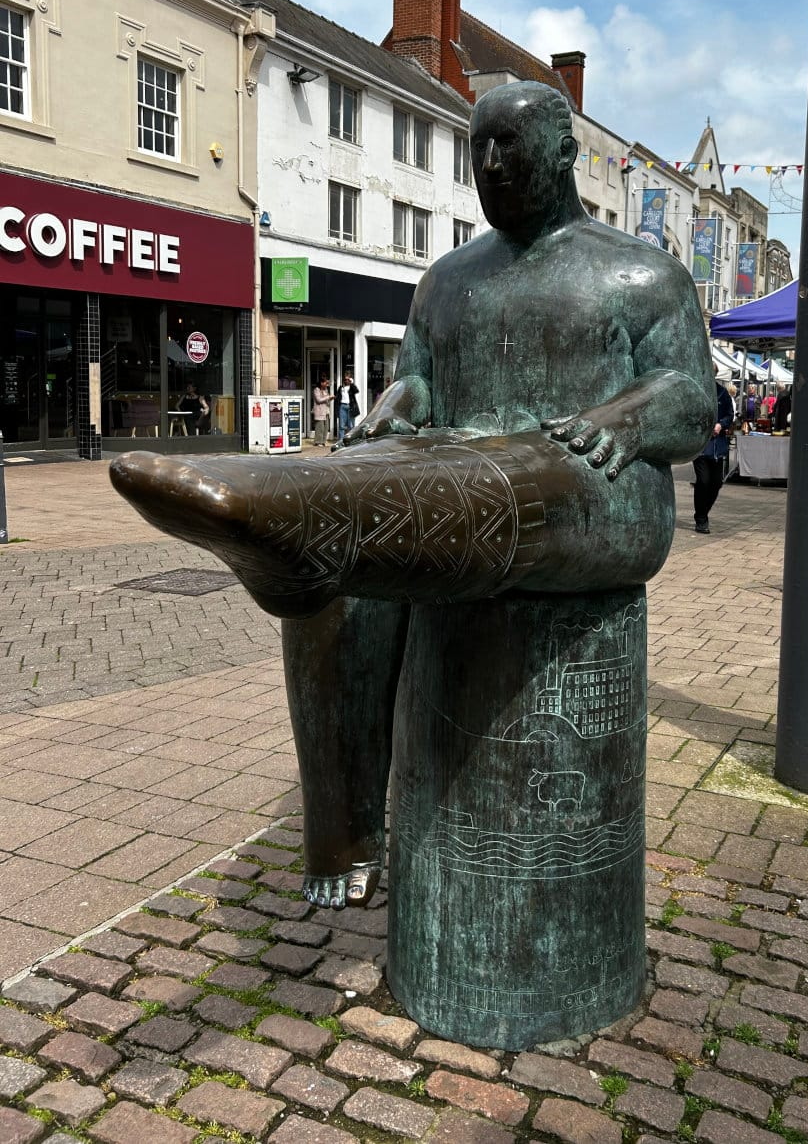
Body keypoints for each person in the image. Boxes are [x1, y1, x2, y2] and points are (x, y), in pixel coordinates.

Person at [110, 80, 715, 910]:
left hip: (592, 487)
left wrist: (629, 413)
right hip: (447, 475)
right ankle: (345, 823)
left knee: (435, 500)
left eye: (511, 147)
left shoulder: (645, 274)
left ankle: (301, 516)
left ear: (567, 155)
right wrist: (401, 402)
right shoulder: (446, 281)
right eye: (481, 150)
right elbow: (420, 383)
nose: (493, 165)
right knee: (332, 579)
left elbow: (694, 400)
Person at [693, 368, 734, 534]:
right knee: (703, 481)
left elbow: (730, 415)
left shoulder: (722, 393)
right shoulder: (697, 391)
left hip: (718, 448)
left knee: (716, 483)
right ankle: (701, 519)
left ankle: (703, 512)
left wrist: (721, 424)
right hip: (701, 448)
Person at [312, 375, 332, 446]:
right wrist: (328, 397)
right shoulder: (316, 390)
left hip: (326, 411)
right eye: (326, 383)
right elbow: (319, 400)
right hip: (319, 411)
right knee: (319, 427)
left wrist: (330, 398)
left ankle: (323, 441)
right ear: (321, 383)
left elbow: (326, 399)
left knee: (326, 427)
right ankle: (318, 442)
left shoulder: (326, 390)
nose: (327, 385)